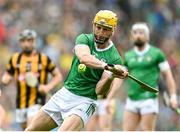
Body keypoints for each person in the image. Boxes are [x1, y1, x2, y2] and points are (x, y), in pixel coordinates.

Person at [25, 10, 128, 131]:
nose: (100, 32)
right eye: (98, 27)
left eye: (105, 29)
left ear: (113, 30)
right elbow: (84, 58)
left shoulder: (114, 58)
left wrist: (111, 76)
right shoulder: (84, 39)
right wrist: (106, 66)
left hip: (85, 101)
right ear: (93, 25)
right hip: (65, 93)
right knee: (30, 130)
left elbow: (99, 90)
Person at [1, 29, 62, 130]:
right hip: (21, 102)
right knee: (26, 128)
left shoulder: (43, 59)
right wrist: (6, 79)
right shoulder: (15, 59)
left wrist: (47, 87)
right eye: (23, 41)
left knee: (31, 128)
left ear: (34, 41)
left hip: (37, 101)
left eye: (29, 40)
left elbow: (58, 76)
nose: (26, 44)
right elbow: (7, 75)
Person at [122, 22, 178, 131]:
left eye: (141, 33)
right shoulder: (128, 56)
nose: (138, 35)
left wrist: (173, 97)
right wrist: (110, 97)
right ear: (132, 36)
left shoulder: (157, 54)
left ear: (147, 36)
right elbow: (120, 78)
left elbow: (168, 76)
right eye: (135, 33)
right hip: (132, 98)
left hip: (149, 98)